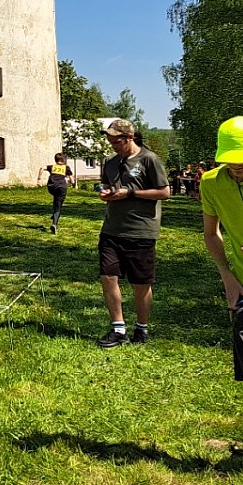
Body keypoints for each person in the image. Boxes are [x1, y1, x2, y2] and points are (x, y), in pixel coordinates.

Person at [95, 119, 170, 347]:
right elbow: (105, 184)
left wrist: (130, 193)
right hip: (111, 229)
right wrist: (103, 191)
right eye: (109, 140)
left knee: (141, 283)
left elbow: (164, 192)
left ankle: (142, 328)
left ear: (129, 138)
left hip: (141, 231)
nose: (111, 145)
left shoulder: (149, 159)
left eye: (115, 141)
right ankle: (118, 329)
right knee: (108, 277)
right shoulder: (110, 162)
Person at [200, 116, 243, 384]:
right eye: (231, 156)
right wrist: (226, 276)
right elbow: (210, 233)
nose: (237, 163)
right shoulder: (211, 182)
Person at [36, 153, 75, 234]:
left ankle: (54, 215)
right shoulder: (66, 168)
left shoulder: (52, 167)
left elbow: (42, 168)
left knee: (56, 199)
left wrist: (39, 179)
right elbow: (72, 180)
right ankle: (54, 224)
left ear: (56, 160)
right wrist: (71, 183)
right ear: (63, 160)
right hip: (61, 188)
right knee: (58, 206)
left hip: (51, 187)